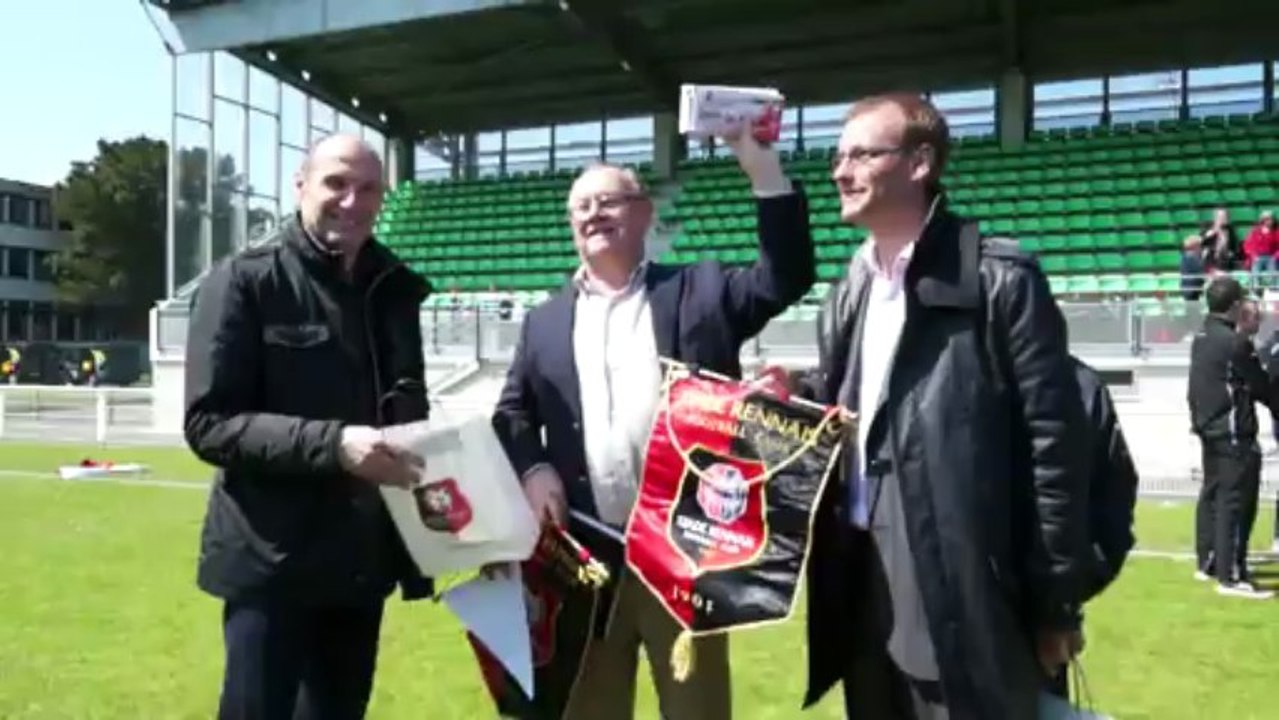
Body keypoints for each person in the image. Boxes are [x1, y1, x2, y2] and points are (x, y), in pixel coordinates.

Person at [490, 125, 815, 720]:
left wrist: (763, 170)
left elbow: (786, 275)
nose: (594, 214)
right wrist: (534, 469)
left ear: (643, 213)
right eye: (581, 206)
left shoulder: (702, 289)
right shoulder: (543, 322)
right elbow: (511, 413)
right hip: (586, 561)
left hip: (685, 556)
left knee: (697, 712)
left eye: (609, 201)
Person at [790, 93, 1093, 719]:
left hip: (965, 592)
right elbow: (860, 412)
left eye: (861, 155)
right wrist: (795, 397)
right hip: (859, 575)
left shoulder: (1001, 279)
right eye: (837, 157)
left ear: (920, 162)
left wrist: (1057, 601)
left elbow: (1055, 450)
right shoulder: (848, 289)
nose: (840, 172)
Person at [184, 134, 436, 718]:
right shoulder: (245, 281)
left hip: (360, 562)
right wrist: (335, 445)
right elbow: (209, 423)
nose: (352, 201)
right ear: (300, 186)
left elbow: (406, 415)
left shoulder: (394, 289)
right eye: (336, 183)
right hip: (271, 563)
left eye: (368, 188)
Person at [1188, 283, 1275, 599]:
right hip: (1233, 431)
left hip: (1209, 427)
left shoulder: (1202, 336)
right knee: (1236, 502)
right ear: (1235, 305)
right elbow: (1261, 386)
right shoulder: (1235, 342)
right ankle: (1232, 576)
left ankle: (1210, 562)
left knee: (1213, 494)